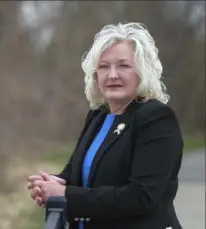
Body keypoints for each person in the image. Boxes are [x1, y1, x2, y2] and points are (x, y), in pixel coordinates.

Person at [27, 22, 184, 229]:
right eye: (103, 66)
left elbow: (141, 196)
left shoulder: (156, 119)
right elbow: (77, 173)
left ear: (142, 71)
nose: (112, 75)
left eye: (123, 66)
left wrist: (66, 194)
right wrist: (52, 183)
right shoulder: (98, 115)